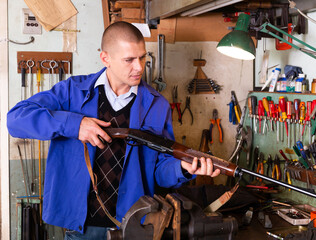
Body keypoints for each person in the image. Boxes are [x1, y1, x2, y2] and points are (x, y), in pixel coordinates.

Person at [7, 21, 220, 239]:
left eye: (142, 57)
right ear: (105, 58)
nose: (139, 67)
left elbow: (158, 171)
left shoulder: (157, 105)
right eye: (129, 60)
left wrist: (183, 169)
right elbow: (15, 119)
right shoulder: (72, 92)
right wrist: (75, 125)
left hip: (133, 226)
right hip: (81, 227)